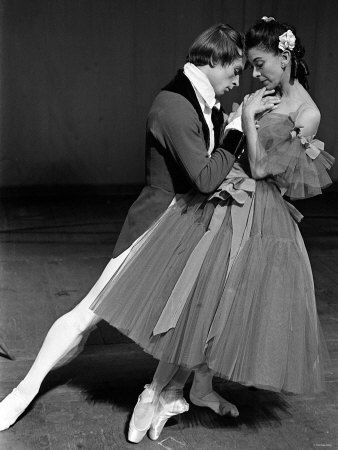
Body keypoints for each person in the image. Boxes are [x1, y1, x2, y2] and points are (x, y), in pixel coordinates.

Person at [0, 23, 271, 438]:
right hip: (156, 223)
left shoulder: (206, 101)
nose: (238, 80)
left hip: (186, 224)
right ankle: (20, 393)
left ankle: (198, 388)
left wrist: (232, 126)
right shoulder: (173, 105)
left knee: (202, 309)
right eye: (235, 70)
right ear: (214, 61)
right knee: (87, 315)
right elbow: (203, 178)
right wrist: (235, 131)